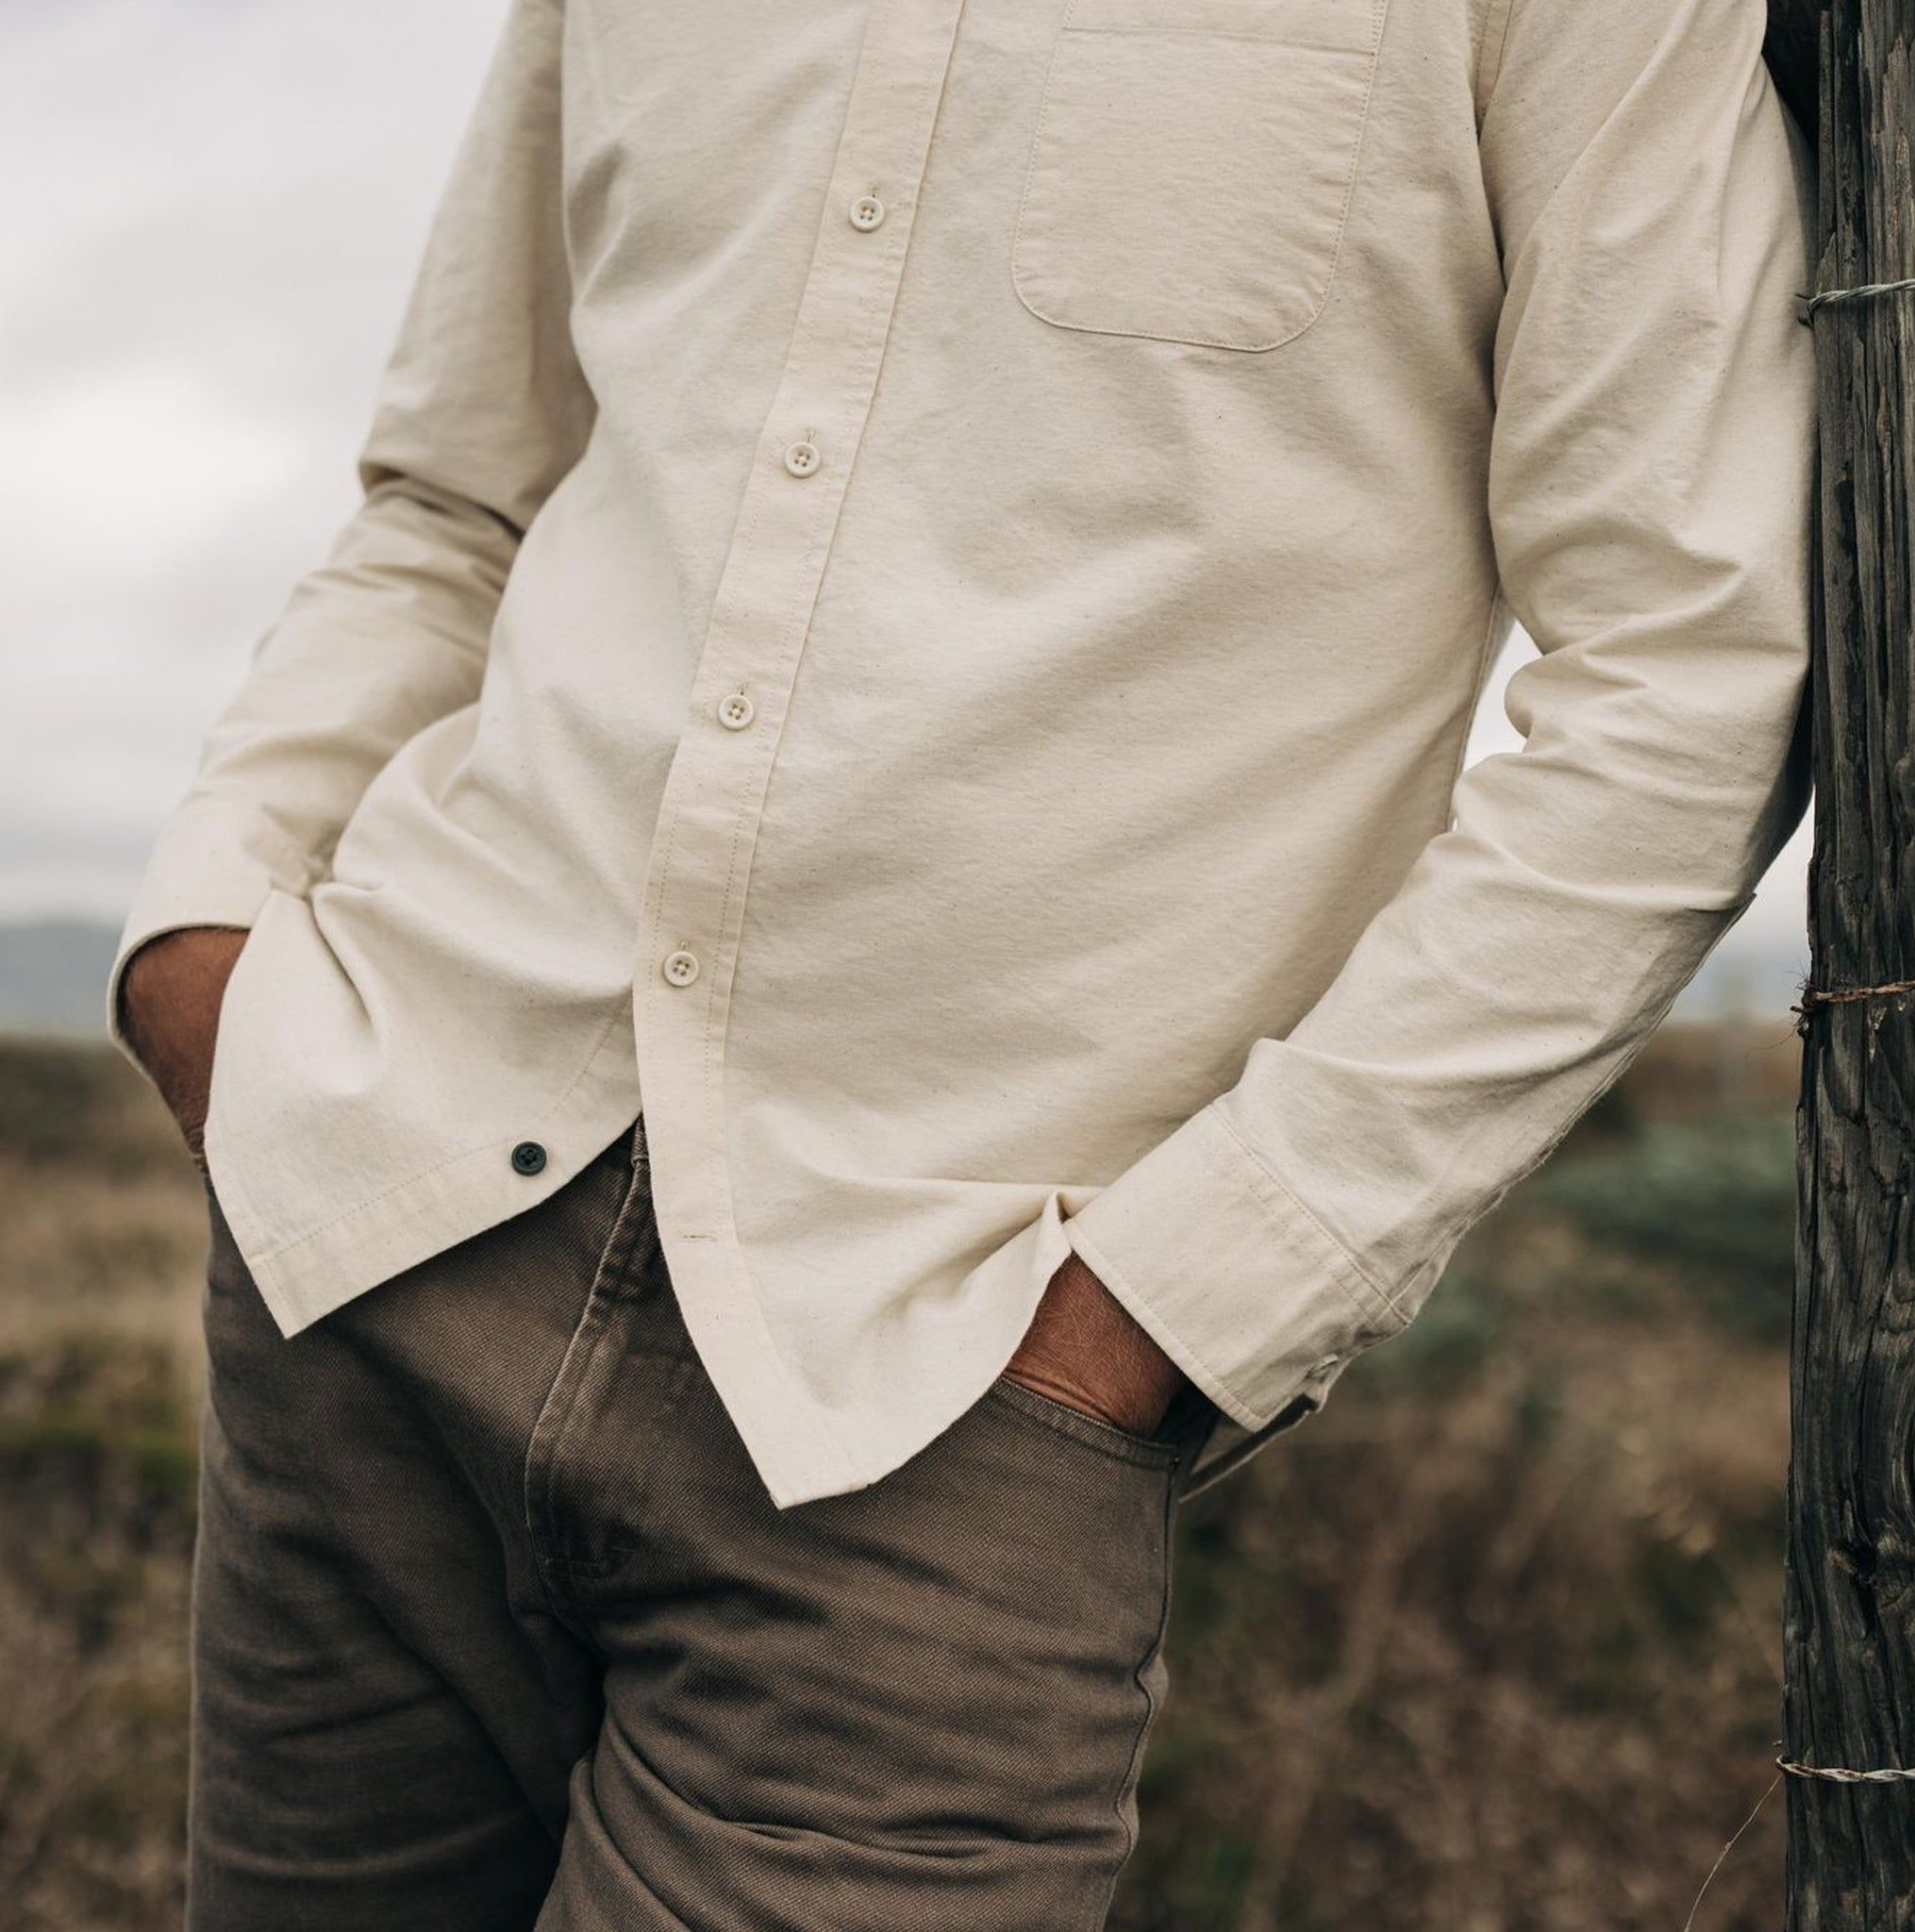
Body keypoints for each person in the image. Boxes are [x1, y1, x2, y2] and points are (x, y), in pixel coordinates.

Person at [113, 0, 1816, 1924]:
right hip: (376, 1234)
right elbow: (457, 497)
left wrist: (1171, 1307)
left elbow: (1691, 665)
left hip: (948, 1394)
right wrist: (210, 935)